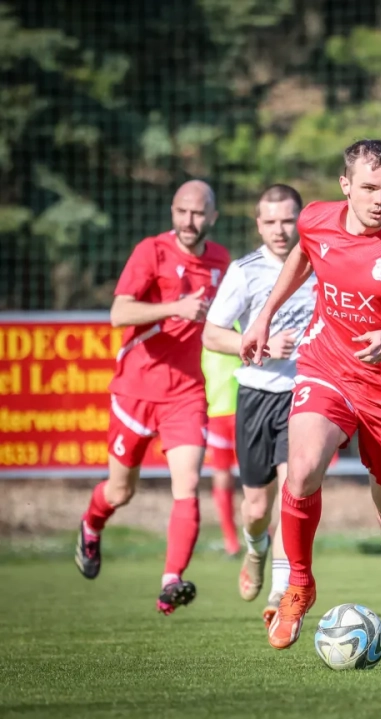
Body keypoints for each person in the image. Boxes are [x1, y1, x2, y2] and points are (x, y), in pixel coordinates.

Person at [240, 140, 381, 664]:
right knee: (303, 466)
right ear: (345, 185)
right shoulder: (315, 219)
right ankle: (299, 584)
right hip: (327, 366)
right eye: (370, 188)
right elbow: (303, 256)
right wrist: (264, 315)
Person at [74, 180, 231, 616]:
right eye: (182, 211)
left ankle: (170, 583)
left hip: (186, 395)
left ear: (213, 217)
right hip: (135, 393)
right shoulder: (152, 251)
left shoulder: (221, 261)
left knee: (187, 486)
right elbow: (118, 313)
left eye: (198, 213)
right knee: (120, 491)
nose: (189, 220)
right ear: (172, 212)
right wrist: (175, 308)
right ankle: (91, 524)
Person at [203, 184, 318, 626]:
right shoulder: (245, 271)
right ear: (258, 224)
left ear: (300, 220)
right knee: (255, 510)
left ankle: (280, 591)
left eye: (288, 220)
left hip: (304, 395)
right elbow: (212, 334)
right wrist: (260, 346)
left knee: (295, 491)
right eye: (270, 221)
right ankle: (255, 550)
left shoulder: (320, 265)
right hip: (255, 396)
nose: (280, 230)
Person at [202, 343, 242, 557]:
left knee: (255, 475)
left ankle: (261, 531)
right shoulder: (204, 337)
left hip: (243, 409)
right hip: (217, 412)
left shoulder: (235, 329)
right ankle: (231, 540)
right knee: (222, 476)